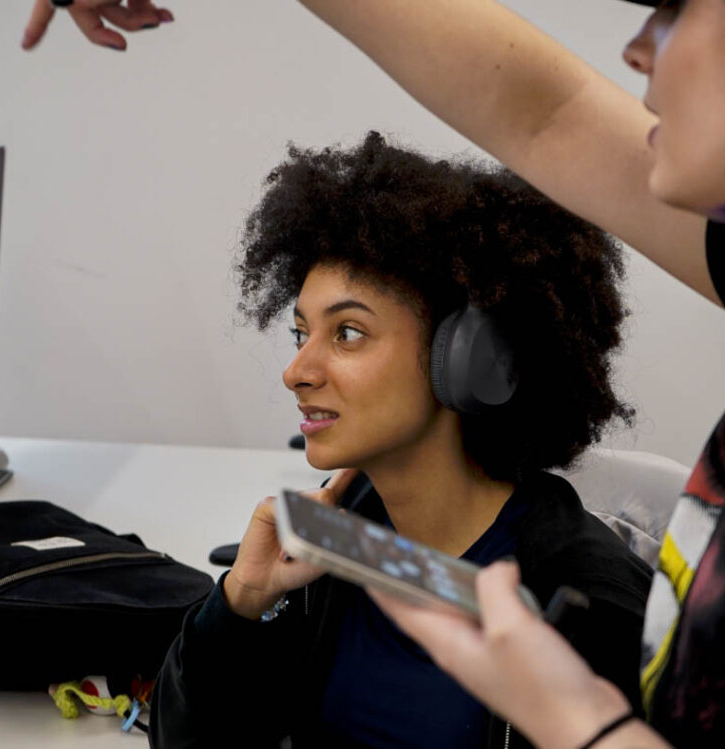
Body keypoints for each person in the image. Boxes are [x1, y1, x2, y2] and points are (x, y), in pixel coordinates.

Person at [22, 0, 725, 746]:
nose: (636, 51)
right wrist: (237, 609)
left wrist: (572, 716)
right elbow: (547, 111)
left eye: (677, 10)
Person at [147, 132, 652, 748]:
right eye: (301, 331)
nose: (296, 371)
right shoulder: (336, 546)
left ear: (469, 363)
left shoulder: (585, 608)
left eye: (349, 333)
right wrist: (242, 602)